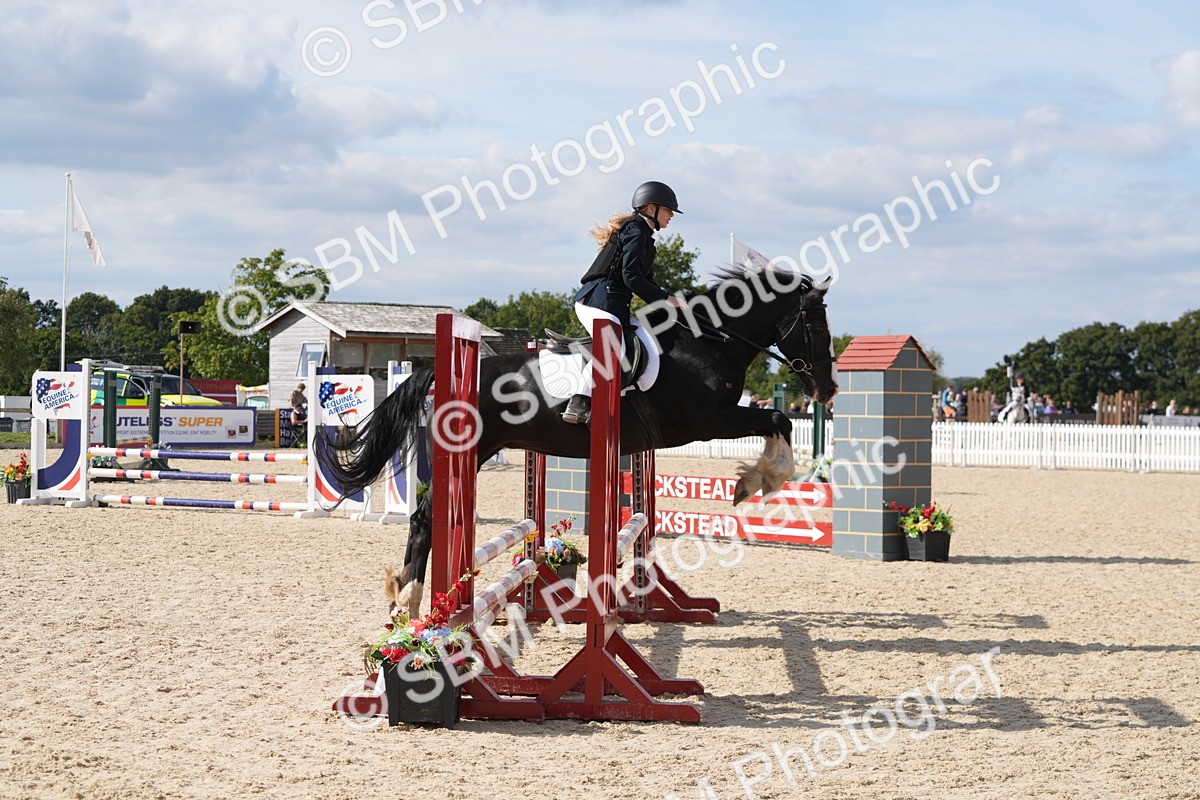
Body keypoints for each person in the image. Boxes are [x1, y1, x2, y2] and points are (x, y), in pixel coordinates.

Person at [562, 181, 687, 424]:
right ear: (651, 208)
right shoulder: (635, 231)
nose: (671, 215)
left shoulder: (645, 237)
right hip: (598, 302)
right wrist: (665, 299)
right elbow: (631, 277)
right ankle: (577, 403)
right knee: (614, 346)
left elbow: (646, 281)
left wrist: (671, 303)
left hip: (613, 304)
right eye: (668, 210)